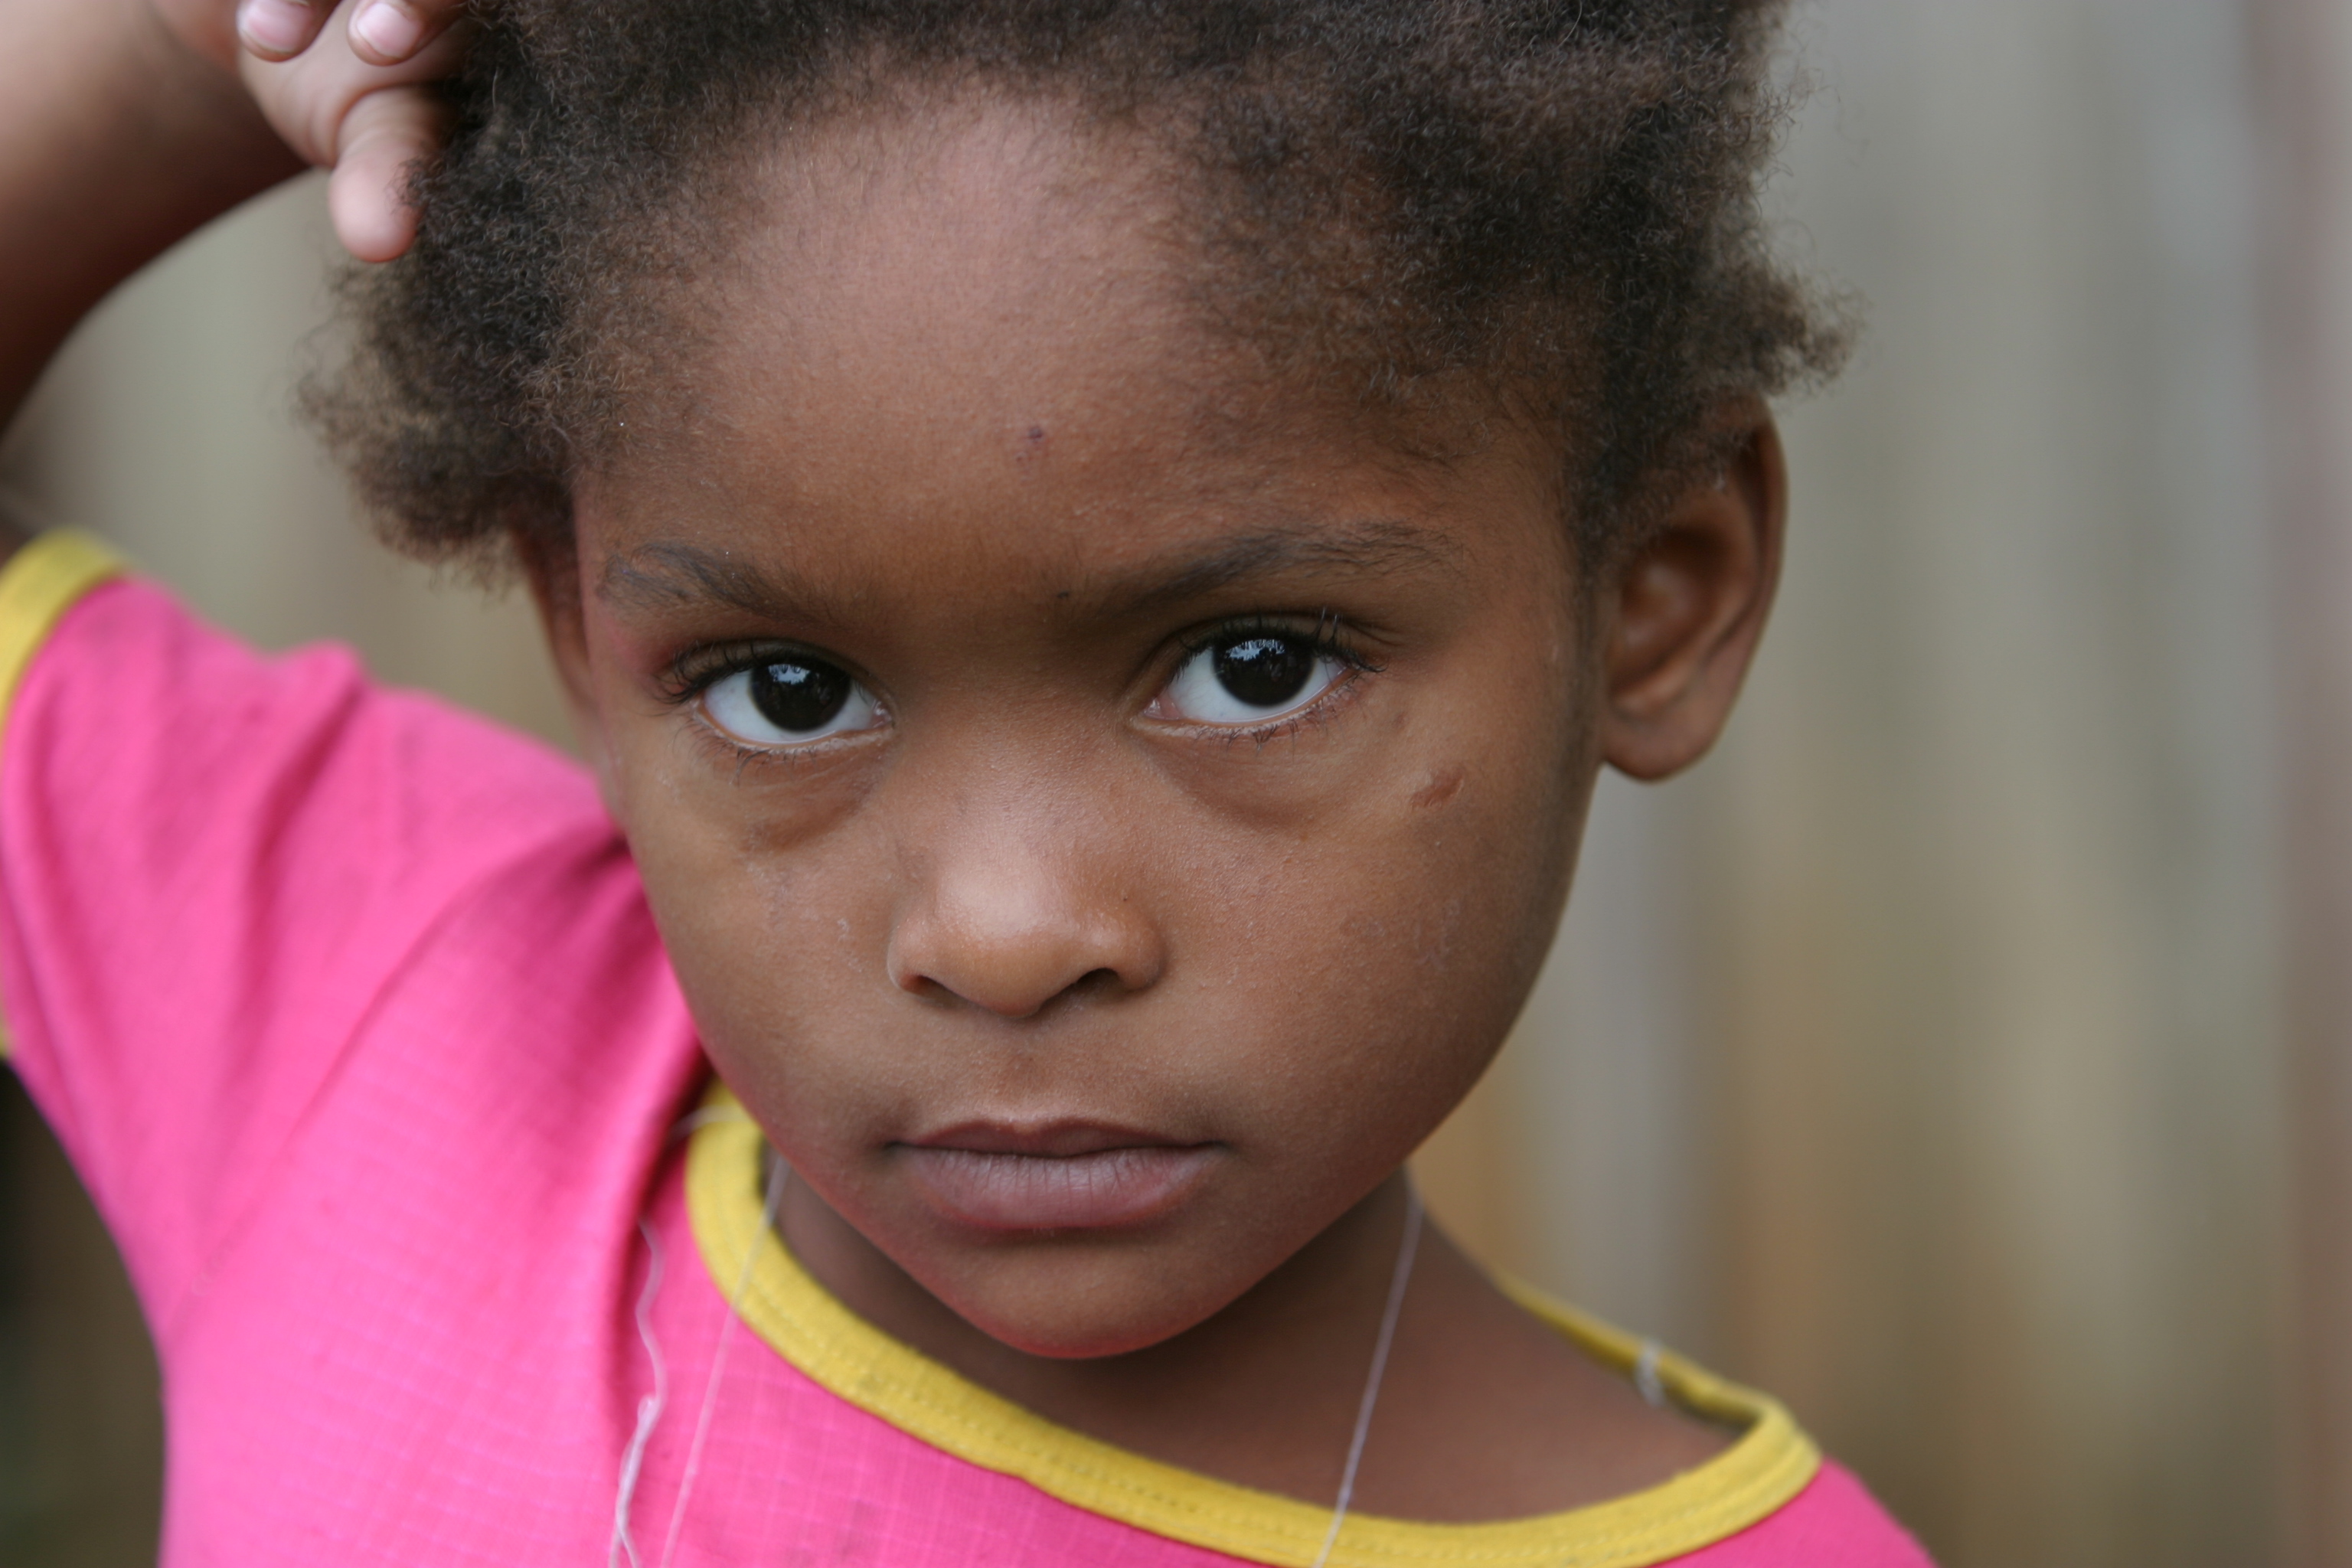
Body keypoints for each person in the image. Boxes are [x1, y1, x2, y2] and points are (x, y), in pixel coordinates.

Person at [0, 0, 1933, 1563]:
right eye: (784, 689)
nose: (1006, 934)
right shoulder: (394, 1016)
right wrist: (180, 49)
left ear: (1653, 596)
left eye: (1253, 668)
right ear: (581, 629)